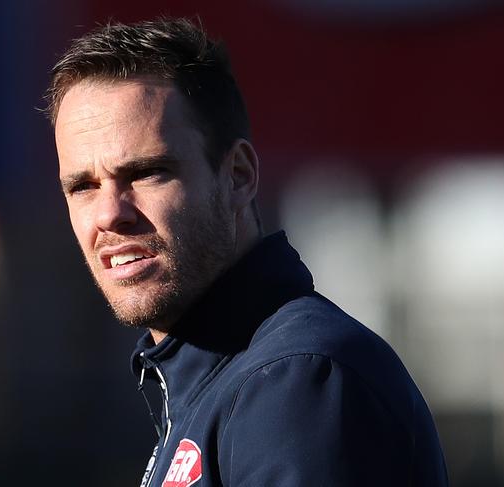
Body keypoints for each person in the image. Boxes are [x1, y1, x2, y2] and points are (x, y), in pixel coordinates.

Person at [47, 17, 448, 486]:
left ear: (238, 175)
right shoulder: (220, 381)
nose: (109, 214)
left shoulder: (295, 379)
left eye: (147, 172)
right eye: (83, 187)